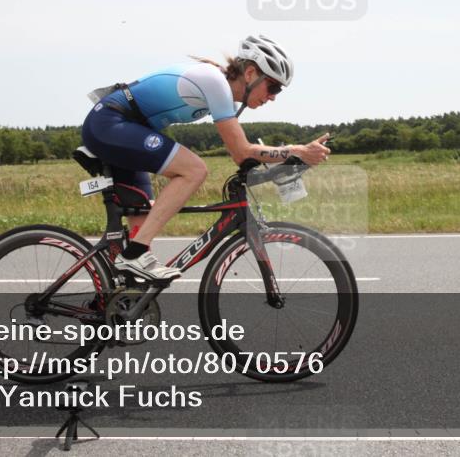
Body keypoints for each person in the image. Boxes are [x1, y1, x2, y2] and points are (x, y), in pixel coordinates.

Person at [81, 34, 331, 281]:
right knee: (194, 170)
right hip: (110, 124)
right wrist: (297, 150)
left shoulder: (223, 94)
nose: (274, 96)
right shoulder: (215, 83)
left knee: (142, 218)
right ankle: (135, 255)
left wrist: (285, 163)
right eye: (273, 86)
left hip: (124, 129)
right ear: (251, 73)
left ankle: (122, 294)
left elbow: (242, 157)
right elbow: (242, 152)